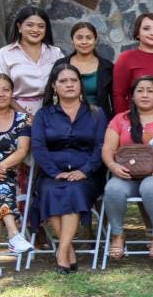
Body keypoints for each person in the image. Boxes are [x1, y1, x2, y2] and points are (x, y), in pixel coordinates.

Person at [30, 64, 107, 274]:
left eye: (73, 80)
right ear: (54, 86)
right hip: (52, 174)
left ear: (80, 84)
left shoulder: (96, 113)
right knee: (50, 190)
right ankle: (68, 251)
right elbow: (38, 147)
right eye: (63, 81)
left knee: (73, 189)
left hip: (88, 175)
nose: (69, 85)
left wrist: (85, 171)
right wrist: (55, 172)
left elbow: (101, 146)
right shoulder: (44, 115)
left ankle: (62, 251)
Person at [101, 76, 153, 260]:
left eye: (150, 91)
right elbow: (108, 149)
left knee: (150, 187)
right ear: (132, 96)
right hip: (126, 175)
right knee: (112, 189)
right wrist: (113, 166)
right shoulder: (120, 120)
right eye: (140, 91)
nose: (145, 95)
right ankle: (117, 235)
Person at [0, 6, 63, 116]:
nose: (35, 30)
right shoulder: (4, 54)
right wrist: (26, 116)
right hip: (15, 113)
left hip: (51, 112)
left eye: (41, 26)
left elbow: (65, 81)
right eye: (30, 25)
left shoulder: (55, 53)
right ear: (19, 27)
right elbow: (1, 90)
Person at [0, 74, 33, 256]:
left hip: (9, 175)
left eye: (6, 90)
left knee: (1, 186)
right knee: (1, 187)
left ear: (12, 93)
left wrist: (0, 167)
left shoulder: (22, 119)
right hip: (5, 182)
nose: (1, 94)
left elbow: (22, 150)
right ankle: (14, 234)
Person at [63, 22, 114, 119]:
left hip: (99, 121)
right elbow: (50, 95)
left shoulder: (107, 67)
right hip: (65, 120)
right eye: (79, 38)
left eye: (89, 38)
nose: (84, 42)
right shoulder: (61, 65)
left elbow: (114, 98)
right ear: (72, 40)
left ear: (95, 40)